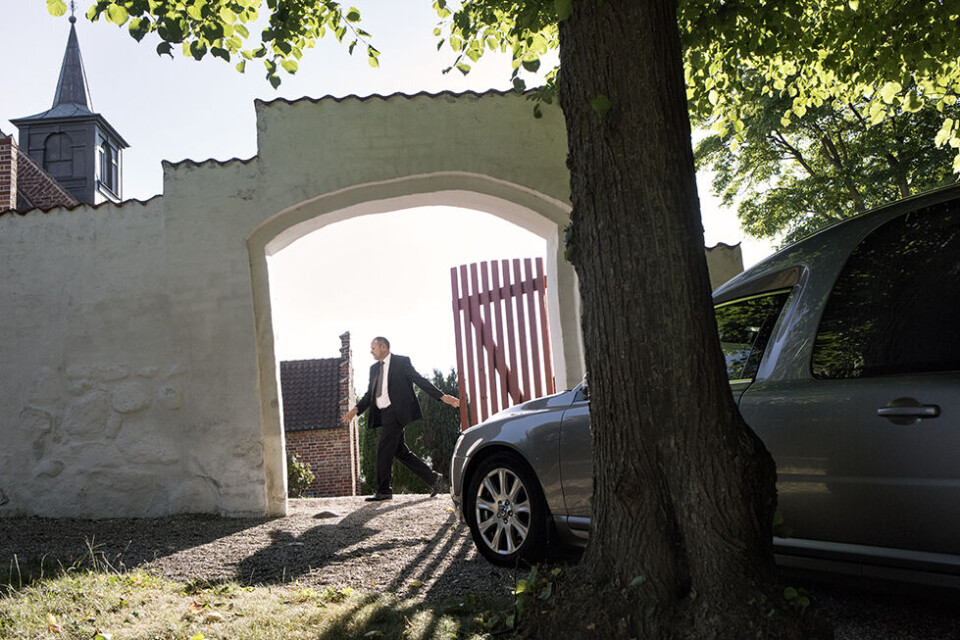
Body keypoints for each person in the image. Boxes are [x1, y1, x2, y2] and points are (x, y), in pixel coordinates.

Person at [342, 336, 460, 501]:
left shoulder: (401, 362)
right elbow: (369, 395)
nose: (371, 351)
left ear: (383, 347)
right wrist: (355, 410)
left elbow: (419, 380)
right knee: (401, 452)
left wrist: (442, 396)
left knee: (383, 450)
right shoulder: (374, 369)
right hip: (383, 415)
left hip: (396, 413)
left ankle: (384, 490)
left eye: (373, 348)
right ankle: (433, 478)